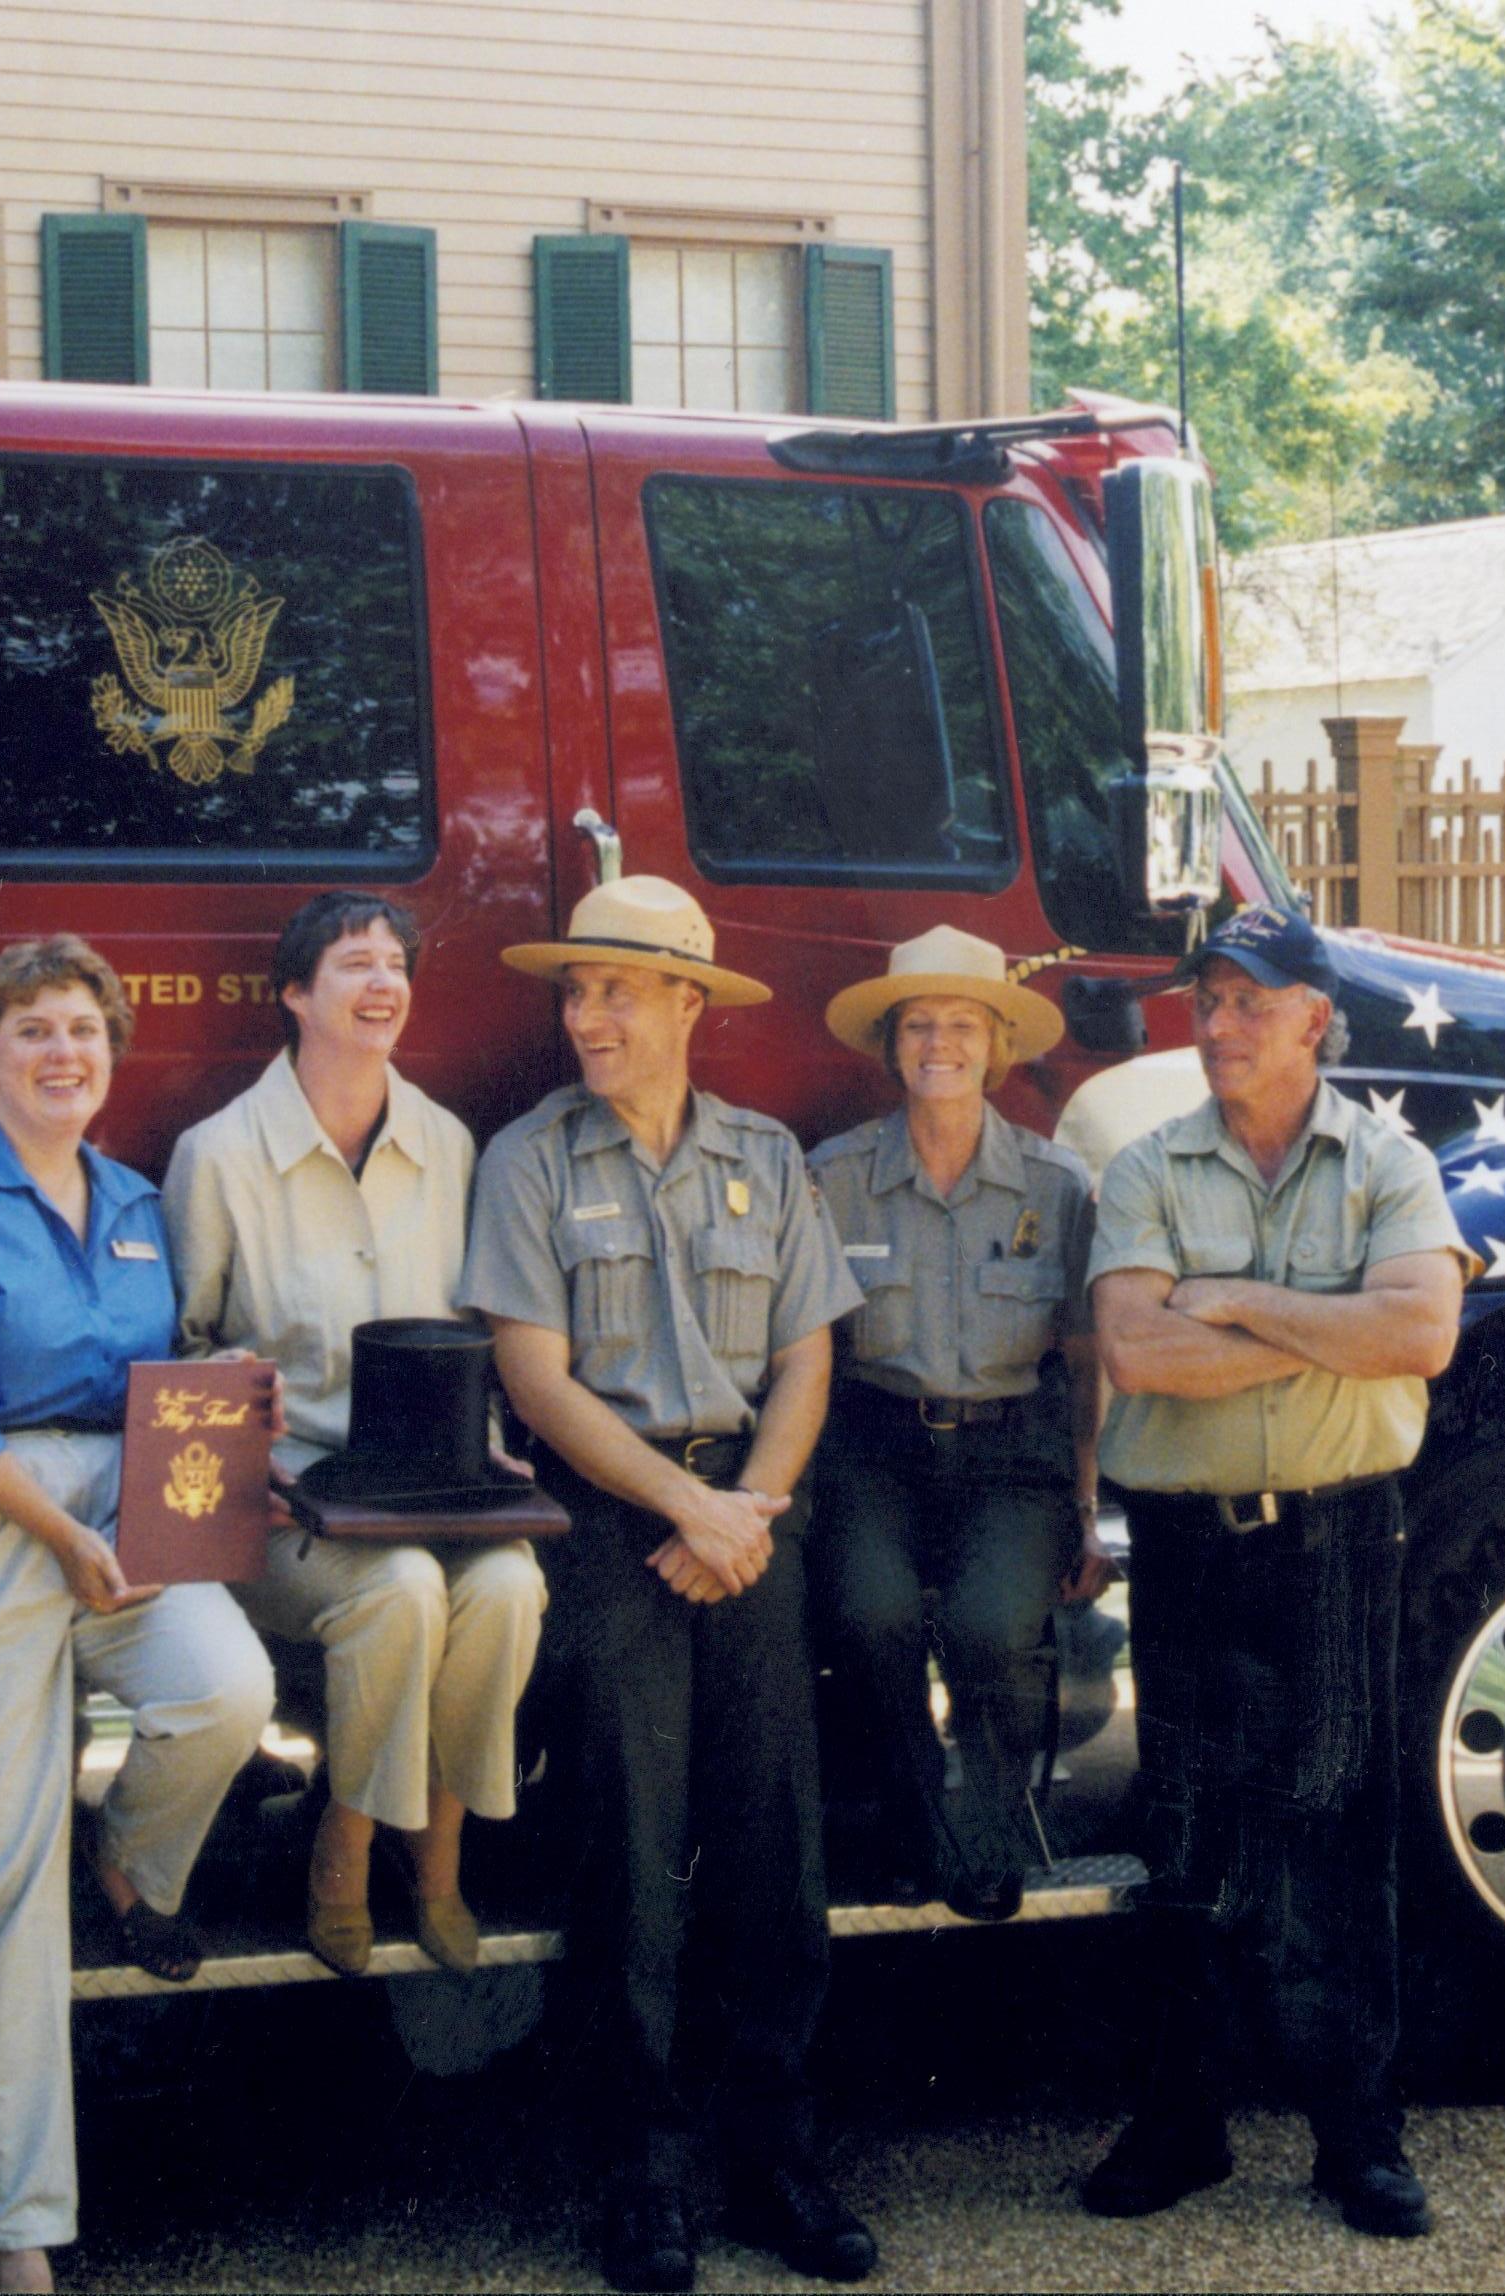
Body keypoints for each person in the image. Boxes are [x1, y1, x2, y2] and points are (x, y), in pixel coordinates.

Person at [0, 933, 278, 2296]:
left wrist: (210, 1428)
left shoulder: (135, 1195)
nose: (61, 1054)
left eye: (83, 1031)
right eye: (32, 1031)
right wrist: (63, 1538)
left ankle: (133, 1864)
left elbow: (162, 1375)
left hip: (120, 1512)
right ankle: (17, 2225)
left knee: (226, 1693)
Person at [459, 874, 877, 2295]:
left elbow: (808, 1354)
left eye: (616, 990)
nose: (585, 1016)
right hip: (606, 1517)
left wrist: (745, 1504)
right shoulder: (529, 1158)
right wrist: (684, 1503)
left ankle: (771, 2156)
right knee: (627, 1845)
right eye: (574, 992)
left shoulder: (764, 1153)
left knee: (774, 1841)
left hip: (747, 1513)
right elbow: (532, 1373)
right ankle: (640, 2171)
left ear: (689, 1003)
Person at [1076, 906, 1471, 2240]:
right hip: (1189, 1543)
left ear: (1314, 1016)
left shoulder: (1387, 1165)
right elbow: (1137, 1354)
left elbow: (1420, 1330)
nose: (1217, 1024)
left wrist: (1233, 1299)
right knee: (1182, 1828)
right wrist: (1328, 1328)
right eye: (1205, 999)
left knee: (1335, 1828)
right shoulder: (1143, 1171)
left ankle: (1355, 2136)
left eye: (1247, 1001)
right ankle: (1177, 2124)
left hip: (1336, 1533)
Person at [164, 891, 546, 1979]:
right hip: (281, 1506)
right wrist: (245, 1415)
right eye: (351, 965)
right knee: (402, 1592)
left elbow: (472, 1333)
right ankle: (347, 1839)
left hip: (432, 1490)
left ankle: (440, 1848)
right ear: (294, 992)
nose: (382, 984)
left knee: (510, 1586)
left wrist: (491, 1444)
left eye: (395, 965)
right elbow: (183, 1349)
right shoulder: (220, 1154)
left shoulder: (449, 1144)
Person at [804, 925, 1110, 1923]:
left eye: (962, 1026)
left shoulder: (1056, 1189)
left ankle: (985, 1834)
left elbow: (1079, 1358)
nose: (939, 1043)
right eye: (919, 1025)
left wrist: (1085, 1503)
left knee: (990, 1629)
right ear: (892, 1047)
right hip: (872, 1443)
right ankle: (905, 1824)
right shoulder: (833, 1176)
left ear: (997, 1047)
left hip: (1008, 1449)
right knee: (869, 1614)